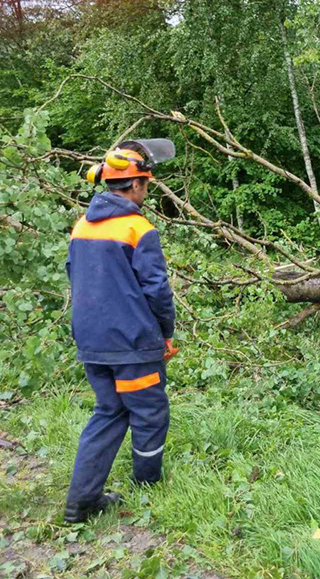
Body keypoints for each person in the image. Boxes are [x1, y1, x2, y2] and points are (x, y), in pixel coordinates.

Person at [64, 140, 178, 523]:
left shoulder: (81, 226)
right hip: (131, 344)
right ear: (134, 185)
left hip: (92, 343)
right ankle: (148, 485)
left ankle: (81, 502)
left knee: (109, 412)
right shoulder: (137, 228)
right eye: (146, 183)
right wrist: (166, 332)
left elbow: (74, 277)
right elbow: (157, 290)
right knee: (149, 412)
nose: (147, 191)